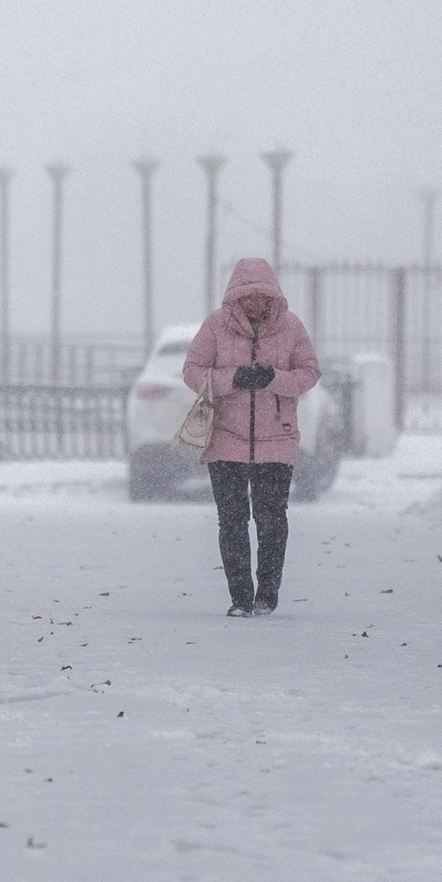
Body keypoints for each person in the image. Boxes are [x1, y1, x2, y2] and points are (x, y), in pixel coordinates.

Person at [182, 257, 320, 617]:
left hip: (277, 441)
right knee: (232, 520)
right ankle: (240, 598)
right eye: (248, 297)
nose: (255, 303)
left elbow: (308, 372)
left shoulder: (291, 328)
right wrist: (233, 379)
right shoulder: (215, 327)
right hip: (225, 440)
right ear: (235, 297)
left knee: (272, 519)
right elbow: (192, 371)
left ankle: (267, 595)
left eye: (261, 297)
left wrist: (274, 378)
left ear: (273, 297)